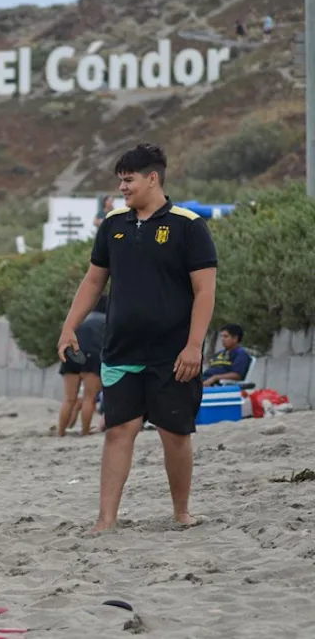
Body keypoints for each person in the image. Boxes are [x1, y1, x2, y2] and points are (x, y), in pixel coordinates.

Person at [58, 143, 217, 534]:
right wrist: (69, 326)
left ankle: (181, 512)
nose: (123, 188)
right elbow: (94, 280)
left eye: (128, 180)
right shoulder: (113, 225)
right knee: (118, 431)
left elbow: (205, 291)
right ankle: (105, 520)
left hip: (173, 353)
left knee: (175, 433)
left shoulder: (188, 225)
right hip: (122, 351)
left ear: (152, 178)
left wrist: (194, 345)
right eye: (120, 182)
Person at [57, 296, 106, 437]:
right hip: (92, 356)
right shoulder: (106, 321)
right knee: (89, 398)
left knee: (69, 398)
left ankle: (61, 433)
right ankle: (84, 432)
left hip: (71, 352)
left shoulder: (80, 318)